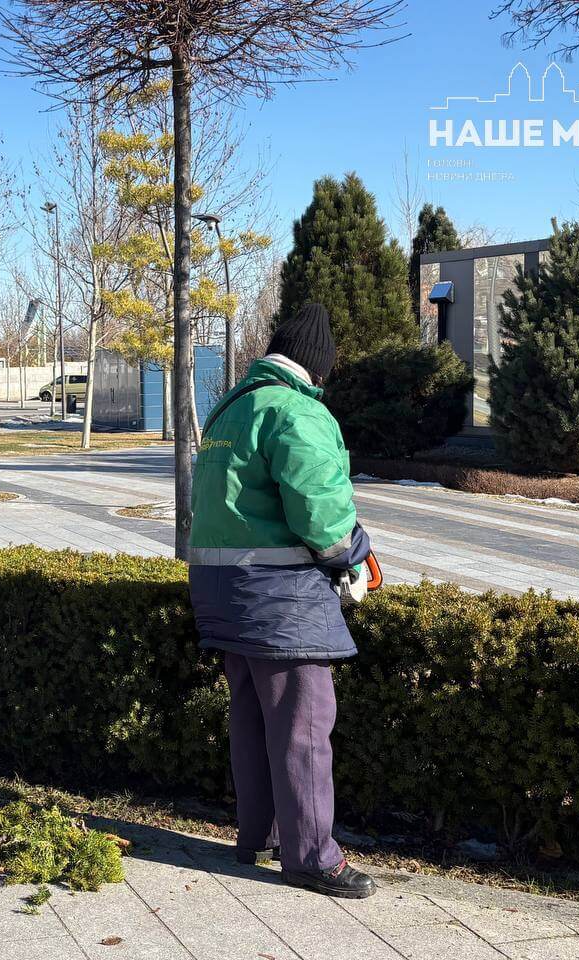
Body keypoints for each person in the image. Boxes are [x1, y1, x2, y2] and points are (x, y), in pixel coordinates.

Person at [188, 302, 376, 899]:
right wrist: (355, 555)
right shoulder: (297, 411)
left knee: (251, 719)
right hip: (280, 599)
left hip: (222, 592)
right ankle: (313, 858)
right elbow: (322, 515)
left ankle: (259, 837)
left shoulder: (231, 407)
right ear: (317, 367)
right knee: (304, 726)